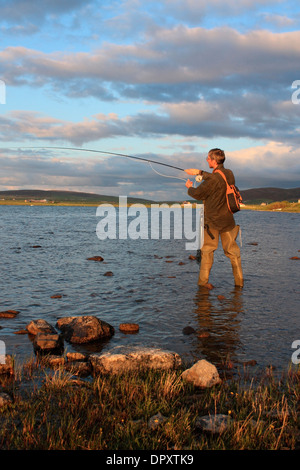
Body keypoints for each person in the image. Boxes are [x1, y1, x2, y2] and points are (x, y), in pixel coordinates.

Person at [185, 148, 243, 288]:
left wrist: (189, 187)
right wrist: (200, 173)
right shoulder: (229, 173)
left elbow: (198, 194)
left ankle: (203, 283)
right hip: (228, 220)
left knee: (207, 252)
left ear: (214, 160)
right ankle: (239, 283)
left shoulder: (212, 180)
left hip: (212, 223)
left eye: (208, 158)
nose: (206, 160)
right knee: (233, 253)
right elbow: (217, 177)